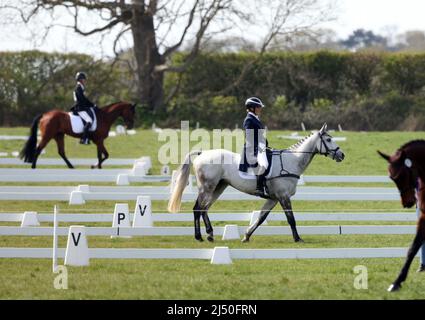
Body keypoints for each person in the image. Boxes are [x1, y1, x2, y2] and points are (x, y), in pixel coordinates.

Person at [238, 97, 269, 198]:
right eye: (258, 107)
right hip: (252, 149)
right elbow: (249, 137)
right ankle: (259, 188)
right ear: (252, 108)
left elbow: (260, 136)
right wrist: (259, 147)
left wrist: (265, 145)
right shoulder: (249, 120)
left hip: (259, 147)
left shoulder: (255, 118)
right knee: (264, 164)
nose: (260, 109)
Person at [72, 72, 96, 145]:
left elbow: (84, 99)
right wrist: (91, 104)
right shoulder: (78, 88)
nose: (85, 80)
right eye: (83, 79)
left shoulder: (81, 87)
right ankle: (84, 139)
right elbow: (82, 99)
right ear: (80, 80)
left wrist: (90, 105)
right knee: (89, 121)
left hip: (82, 107)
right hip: (80, 108)